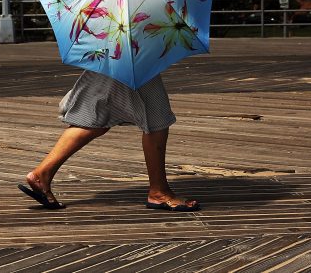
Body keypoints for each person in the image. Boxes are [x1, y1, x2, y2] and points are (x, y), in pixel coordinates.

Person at [18, 69, 200, 211]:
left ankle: (42, 174)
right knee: (156, 119)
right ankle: (159, 192)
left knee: (96, 116)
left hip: (113, 46)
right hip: (133, 50)